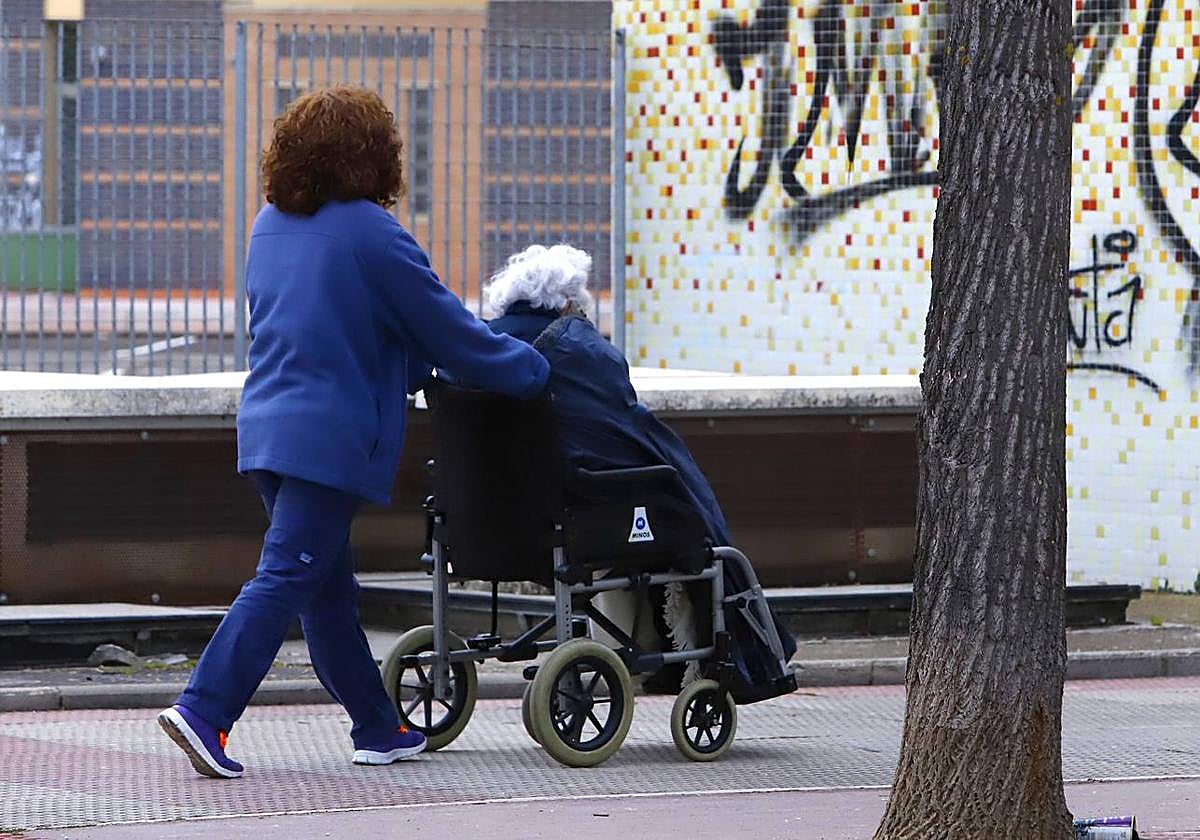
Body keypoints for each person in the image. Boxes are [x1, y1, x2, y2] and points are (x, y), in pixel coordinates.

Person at [157, 88, 549, 779]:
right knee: (285, 578)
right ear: (373, 158)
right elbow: (449, 331)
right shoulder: (372, 232)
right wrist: (535, 368)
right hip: (328, 442)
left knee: (328, 595)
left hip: (267, 431)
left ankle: (380, 726)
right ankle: (204, 710)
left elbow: (326, 323)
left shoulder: (269, 225)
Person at [483, 244, 796, 702]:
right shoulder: (579, 351)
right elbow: (625, 431)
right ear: (569, 303)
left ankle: (633, 644)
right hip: (584, 511)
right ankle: (708, 659)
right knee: (690, 524)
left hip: (493, 518)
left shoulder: (480, 348)